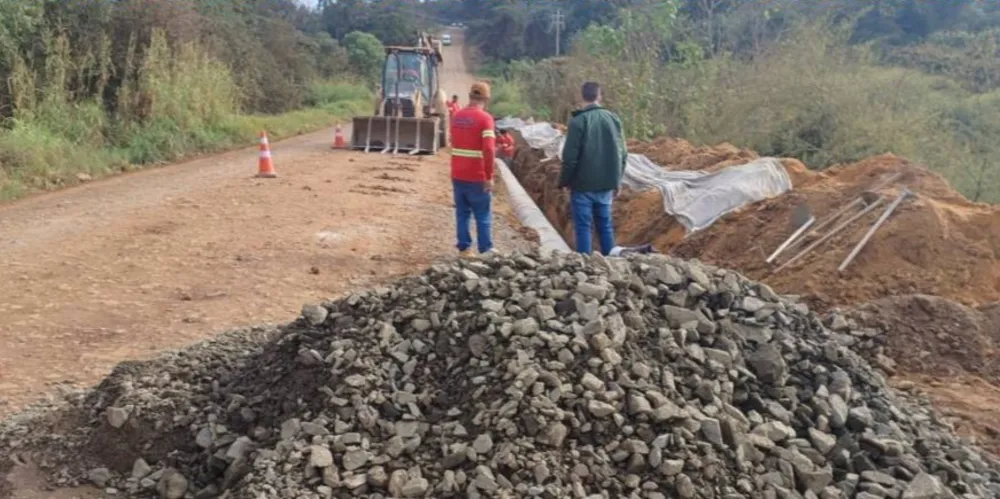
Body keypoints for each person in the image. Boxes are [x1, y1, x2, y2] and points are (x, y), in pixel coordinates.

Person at [558, 81, 628, 256]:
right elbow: (623, 153)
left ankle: (585, 269)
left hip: (582, 185)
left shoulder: (578, 121)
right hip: (606, 185)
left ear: (581, 96)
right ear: (599, 96)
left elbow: (570, 158)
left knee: (583, 227)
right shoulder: (613, 119)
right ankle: (612, 266)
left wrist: (564, 181)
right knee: (605, 225)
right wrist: (617, 180)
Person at [449, 82, 496, 257]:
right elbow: (489, 149)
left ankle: (464, 249)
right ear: (486, 99)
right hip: (477, 176)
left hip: (458, 174)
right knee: (482, 214)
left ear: (470, 96)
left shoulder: (457, 116)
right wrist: (489, 176)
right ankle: (485, 250)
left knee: (462, 213)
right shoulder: (485, 119)